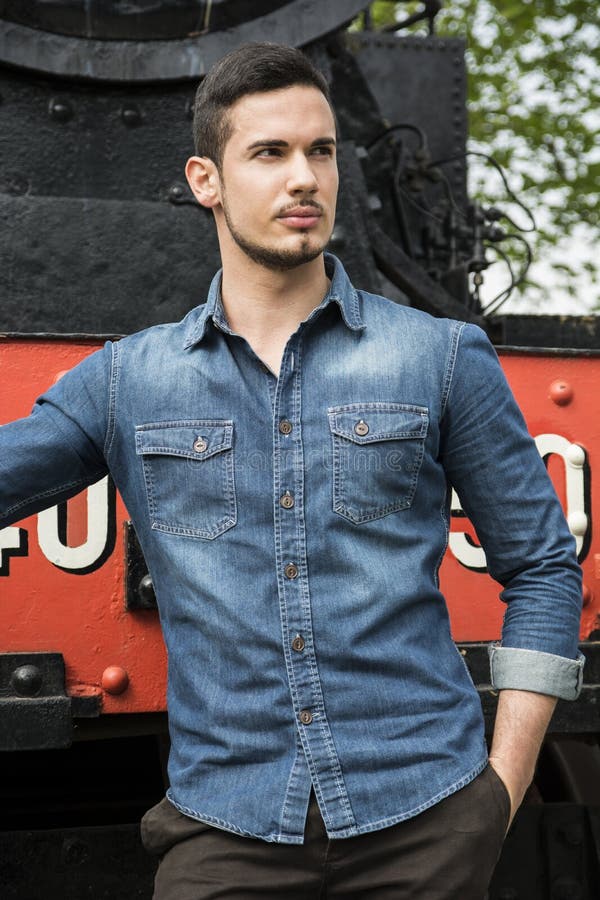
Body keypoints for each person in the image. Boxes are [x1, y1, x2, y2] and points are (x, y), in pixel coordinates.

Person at [0, 42, 584, 899]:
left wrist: (501, 790)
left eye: (321, 151)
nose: (303, 177)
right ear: (206, 179)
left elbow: (540, 566)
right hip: (225, 830)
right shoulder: (131, 380)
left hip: (430, 817)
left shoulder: (440, 356)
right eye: (269, 153)